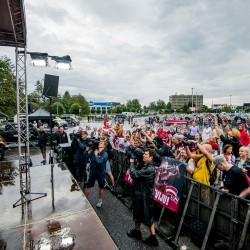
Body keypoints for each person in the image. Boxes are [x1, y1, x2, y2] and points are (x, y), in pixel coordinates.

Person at [127, 149, 159, 246]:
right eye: (143, 154)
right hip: (140, 193)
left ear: (151, 157)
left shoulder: (150, 168)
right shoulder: (145, 165)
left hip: (145, 195)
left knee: (148, 216)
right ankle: (137, 231)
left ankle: (153, 238)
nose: (143, 155)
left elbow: (135, 174)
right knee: (137, 212)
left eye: (145, 154)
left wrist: (132, 163)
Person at [84, 140, 109, 208]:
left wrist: (95, 155)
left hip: (100, 173)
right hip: (93, 172)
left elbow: (99, 162)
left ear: (104, 146)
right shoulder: (95, 150)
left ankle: (100, 201)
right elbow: (87, 157)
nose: (99, 143)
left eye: (101, 143)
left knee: (101, 187)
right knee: (88, 186)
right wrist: (86, 151)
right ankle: (84, 200)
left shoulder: (105, 154)